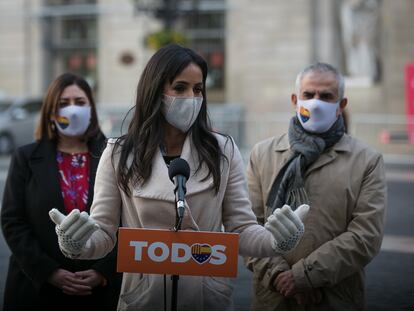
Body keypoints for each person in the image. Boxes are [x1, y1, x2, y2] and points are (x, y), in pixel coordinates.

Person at [47, 44, 309, 311]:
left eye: (198, 89)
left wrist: (276, 241)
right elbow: (103, 234)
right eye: (180, 88)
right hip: (143, 298)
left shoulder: (222, 150)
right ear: (156, 91)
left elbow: (241, 228)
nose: (192, 97)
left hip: (207, 297)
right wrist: (75, 243)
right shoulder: (119, 153)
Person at [245, 62, 387, 310]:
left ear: (341, 105)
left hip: (334, 298)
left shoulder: (367, 161)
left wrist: (303, 277)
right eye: (309, 95)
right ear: (295, 100)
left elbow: (365, 236)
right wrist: (279, 276)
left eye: (326, 96)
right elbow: (248, 226)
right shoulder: (263, 154)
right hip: (273, 299)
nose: (316, 102)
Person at [1, 73, 122, 311]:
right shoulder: (25, 157)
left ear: (91, 109)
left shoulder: (116, 157)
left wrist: (102, 271)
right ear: (50, 110)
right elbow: (12, 221)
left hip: (99, 292)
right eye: (63, 103)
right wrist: (49, 271)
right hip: (37, 289)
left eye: (79, 102)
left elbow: (129, 221)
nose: (72, 110)